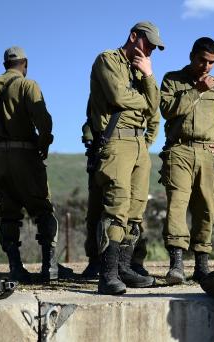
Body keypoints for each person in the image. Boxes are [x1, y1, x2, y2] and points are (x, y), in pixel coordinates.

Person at [0, 46, 69, 282]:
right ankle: (50, 267)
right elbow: (44, 122)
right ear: (24, 64)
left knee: (8, 211)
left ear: (5, 63)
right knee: (42, 208)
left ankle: (16, 267)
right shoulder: (28, 85)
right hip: (25, 154)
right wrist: (43, 144)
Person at [87, 21, 163, 294]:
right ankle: (107, 275)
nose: (151, 50)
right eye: (148, 44)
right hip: (116, 139)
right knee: (116, 206)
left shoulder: (142, 71)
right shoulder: (107, 60)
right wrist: (144, 96)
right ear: (134, 37)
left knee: (135, 210)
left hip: (139, 142)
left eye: (155, 47)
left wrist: (149, 76)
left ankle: (124, 268)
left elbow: (155, 106)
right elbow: (118, 96)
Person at [159, 37, 214, 284]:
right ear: (191, 55)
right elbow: (166, 110)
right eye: (202, 60)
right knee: (177, 204)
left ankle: (201, 266)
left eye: (212, 63)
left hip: (209, 154)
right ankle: (176, 266)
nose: (207, 67)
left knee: (207, 207)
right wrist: (197, 91)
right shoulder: (172, 79)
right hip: (179, 150)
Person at [80, 104, 159, 278]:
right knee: (97, 209)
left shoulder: (140, 85)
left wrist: (144, 144)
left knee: (134, 209)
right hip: (103, 150)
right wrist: (90, 138)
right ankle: (96, 261)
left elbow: (154, 116)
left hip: (133, 149)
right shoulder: (102, 86)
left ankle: (133, 262)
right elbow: (91, 119)